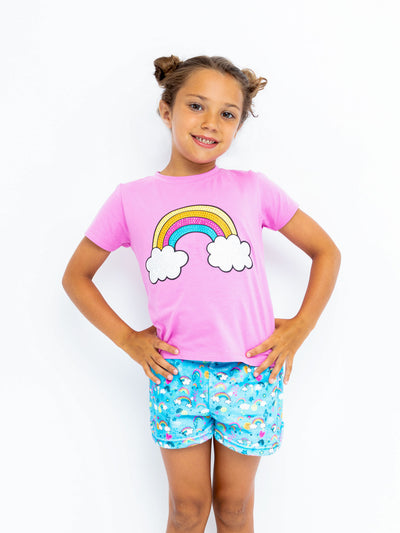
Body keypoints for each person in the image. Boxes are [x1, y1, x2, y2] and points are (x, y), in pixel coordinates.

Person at [62, 54, 341, 533]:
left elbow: (326, 252)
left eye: (228, 113)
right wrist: (129, 340)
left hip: (251, 370)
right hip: (176, 374)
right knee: (187, 510)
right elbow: (76, 277)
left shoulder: (253, 189)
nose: (211, 122)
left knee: (234, 508)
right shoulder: (131, 198)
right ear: (166, 109)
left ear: (238, 125)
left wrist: (300, 327)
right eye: (196, 106)